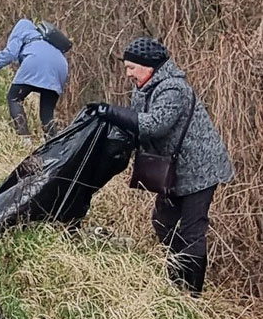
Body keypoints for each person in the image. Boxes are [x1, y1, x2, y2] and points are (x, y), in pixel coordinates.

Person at [87, 37, 233, 295]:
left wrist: (110, 111)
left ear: (149, 67)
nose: (128, 73)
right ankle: (177, 275)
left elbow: (155, 125)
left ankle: (191, 294)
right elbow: (138, 125)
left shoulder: (173, 88)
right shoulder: (143, 88)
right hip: (176, 170)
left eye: (132, 67)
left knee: (192, 230)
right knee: (162, 222)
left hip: (201, 169)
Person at [0, 19, 69, 138]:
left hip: (36, 61)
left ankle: (25, 139)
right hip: (61, 66)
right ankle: (54, 143)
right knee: (47, 113)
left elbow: (10, 54)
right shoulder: (44, 37)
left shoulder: (22, 28)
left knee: (14, 98)